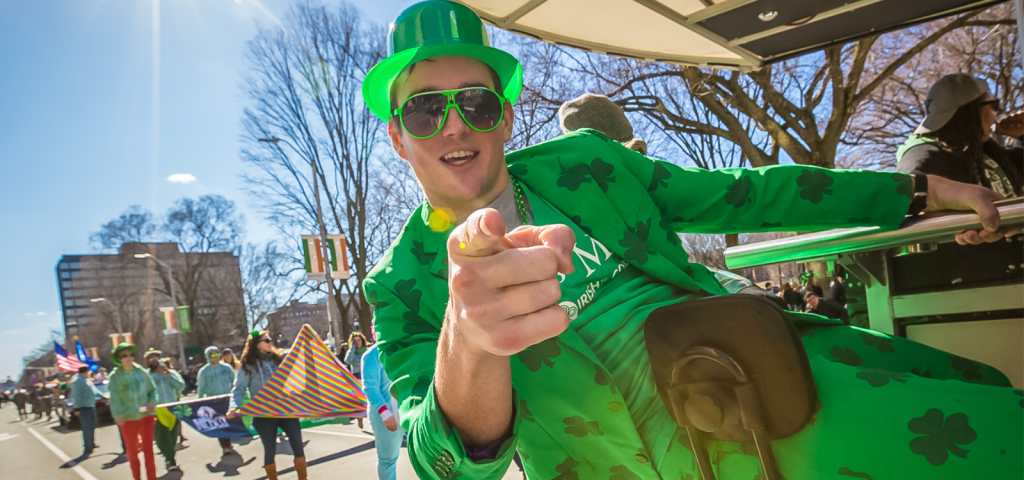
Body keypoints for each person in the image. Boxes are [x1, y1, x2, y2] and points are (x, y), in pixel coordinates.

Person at [359, 2, 1022, 479]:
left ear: (504, 116)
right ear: (397, 135)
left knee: (990, 427)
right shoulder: (399, 283)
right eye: (424, 108)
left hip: (771, 401)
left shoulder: (590, 164)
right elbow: (445, 467)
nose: (452, 124)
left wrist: (916, 191)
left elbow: (744, 193)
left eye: (473, 102)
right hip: (610, 465)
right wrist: (469, 340)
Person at [897, 73, 1023, 198]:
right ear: (970, 112)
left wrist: (1022, 136)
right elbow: (902, 197)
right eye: (994, 105)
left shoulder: (987, 152)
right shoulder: (925, 156)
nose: (998, 113)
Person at [227, 331, 306, 480]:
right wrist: (233, 407)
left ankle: (303, 478)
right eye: (266, 340)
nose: (270, 342)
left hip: (284, 409)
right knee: (270, 450)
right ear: (256, 345)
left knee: (298, 445)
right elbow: (239, 389)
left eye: (270, 340)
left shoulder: (279, 360)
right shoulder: (247, 365)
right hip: (263, 413)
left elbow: (294, 379)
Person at [108, 343, 158, 480]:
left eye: (131, 354)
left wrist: (152, 402)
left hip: (146, 416)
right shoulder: (115, 376)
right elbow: (115, 398)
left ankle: (152, 478)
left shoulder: (141, 371)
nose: (129, 358)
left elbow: (152, 390)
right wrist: (117, 415)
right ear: (119, 358)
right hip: (128, 418)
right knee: (132, 452)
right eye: (125, 355)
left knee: (148, 449)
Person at [362, 340, 404, 480]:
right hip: (387, 418)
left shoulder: (402, 346)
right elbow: (370, 388)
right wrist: (385, 413)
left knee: (425, 455)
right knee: (388, 460)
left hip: (408, 413)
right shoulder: (371, 355)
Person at [143, 349, 184, 472]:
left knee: (172, 436)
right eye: (151, 358)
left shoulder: (170, 373)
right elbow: (143, 392)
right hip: (156, 410)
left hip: (172, 408)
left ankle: (170, 458)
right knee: (161, 437)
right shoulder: (146, 376)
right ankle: (170, 458)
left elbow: (181, 386)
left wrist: (169, 376)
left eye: (156, 357)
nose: (154, 360)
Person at [197, 345, 237, 456]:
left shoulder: (226, 368)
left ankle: (228, 442)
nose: (215, 356)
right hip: (213, 401)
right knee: (219, 423)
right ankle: (225, 445)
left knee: (229, 421)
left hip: (227, 398)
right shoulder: (204, 372)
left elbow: (235, 382)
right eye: (212, 355)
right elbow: (201, 388)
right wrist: (199, 402)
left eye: (217, 354)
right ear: (207, 357)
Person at [71, 366, 102, 455]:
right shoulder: (77, 381)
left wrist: (102, 396)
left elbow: (94, 391)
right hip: (84, 407)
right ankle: (87, 446)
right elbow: (76, 395)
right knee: (87, 427)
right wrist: (77, 408)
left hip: (91, 405)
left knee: (92, 426)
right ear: (86, 371)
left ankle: (92, 443)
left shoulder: (86, 380)